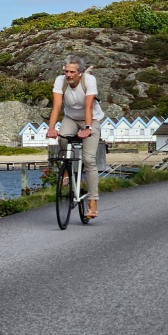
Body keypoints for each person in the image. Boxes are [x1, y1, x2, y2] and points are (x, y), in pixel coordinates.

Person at [47, 55, 104, 218]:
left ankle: (93, 202)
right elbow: (57, 106)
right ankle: (67, 169)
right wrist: (51, 128)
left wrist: (87, 128)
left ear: (80, 72)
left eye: (72, 72)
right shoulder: (60, 81)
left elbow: (88, 106)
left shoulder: (89, 80)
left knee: (89, 159)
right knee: (63, 137)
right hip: (71, 118)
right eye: (66, 71)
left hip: (91, 119)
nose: (68, 75)